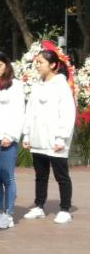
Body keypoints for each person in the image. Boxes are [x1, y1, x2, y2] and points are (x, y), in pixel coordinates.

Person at [22, 48, 76, 224]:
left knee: (61, 175)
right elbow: (30, 110)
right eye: (36, 62)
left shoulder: (61, 85)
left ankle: (65, 209)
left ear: (53, 65)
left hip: (55, 138)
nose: (37, 65)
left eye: (40, 62)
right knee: (40, 174)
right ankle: (39, 206)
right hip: (38, 137)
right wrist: (27, 134)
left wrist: (61, 137)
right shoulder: (37, 84)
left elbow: (67, 112)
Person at [0, 50, 23, 230]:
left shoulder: (15, 86)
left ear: (7, 66)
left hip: (7, 138)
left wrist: (10, 135)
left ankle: (8, 213)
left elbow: (19, 113)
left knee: (7, 176)